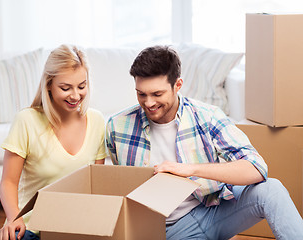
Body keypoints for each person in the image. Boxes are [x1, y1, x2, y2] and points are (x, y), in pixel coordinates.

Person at [106, 45, 303, 239]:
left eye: (157, 94)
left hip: (209, 212)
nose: (149, 103)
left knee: (271, 190)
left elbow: (256, 168)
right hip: (158, 229)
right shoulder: (117, 126)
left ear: (178, 85)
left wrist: (191, 169)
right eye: (141, 94)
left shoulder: (207, 117)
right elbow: (118, 184)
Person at [0, 45, 107, 240]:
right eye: (65, 88)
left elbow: (96, 187)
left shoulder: (97, 121)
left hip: (77, 227)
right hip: (31, 226)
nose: (75, 96)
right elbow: (8, 182)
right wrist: (14, 217)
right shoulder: (27, 121)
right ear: (49, 84)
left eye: (82, 86)